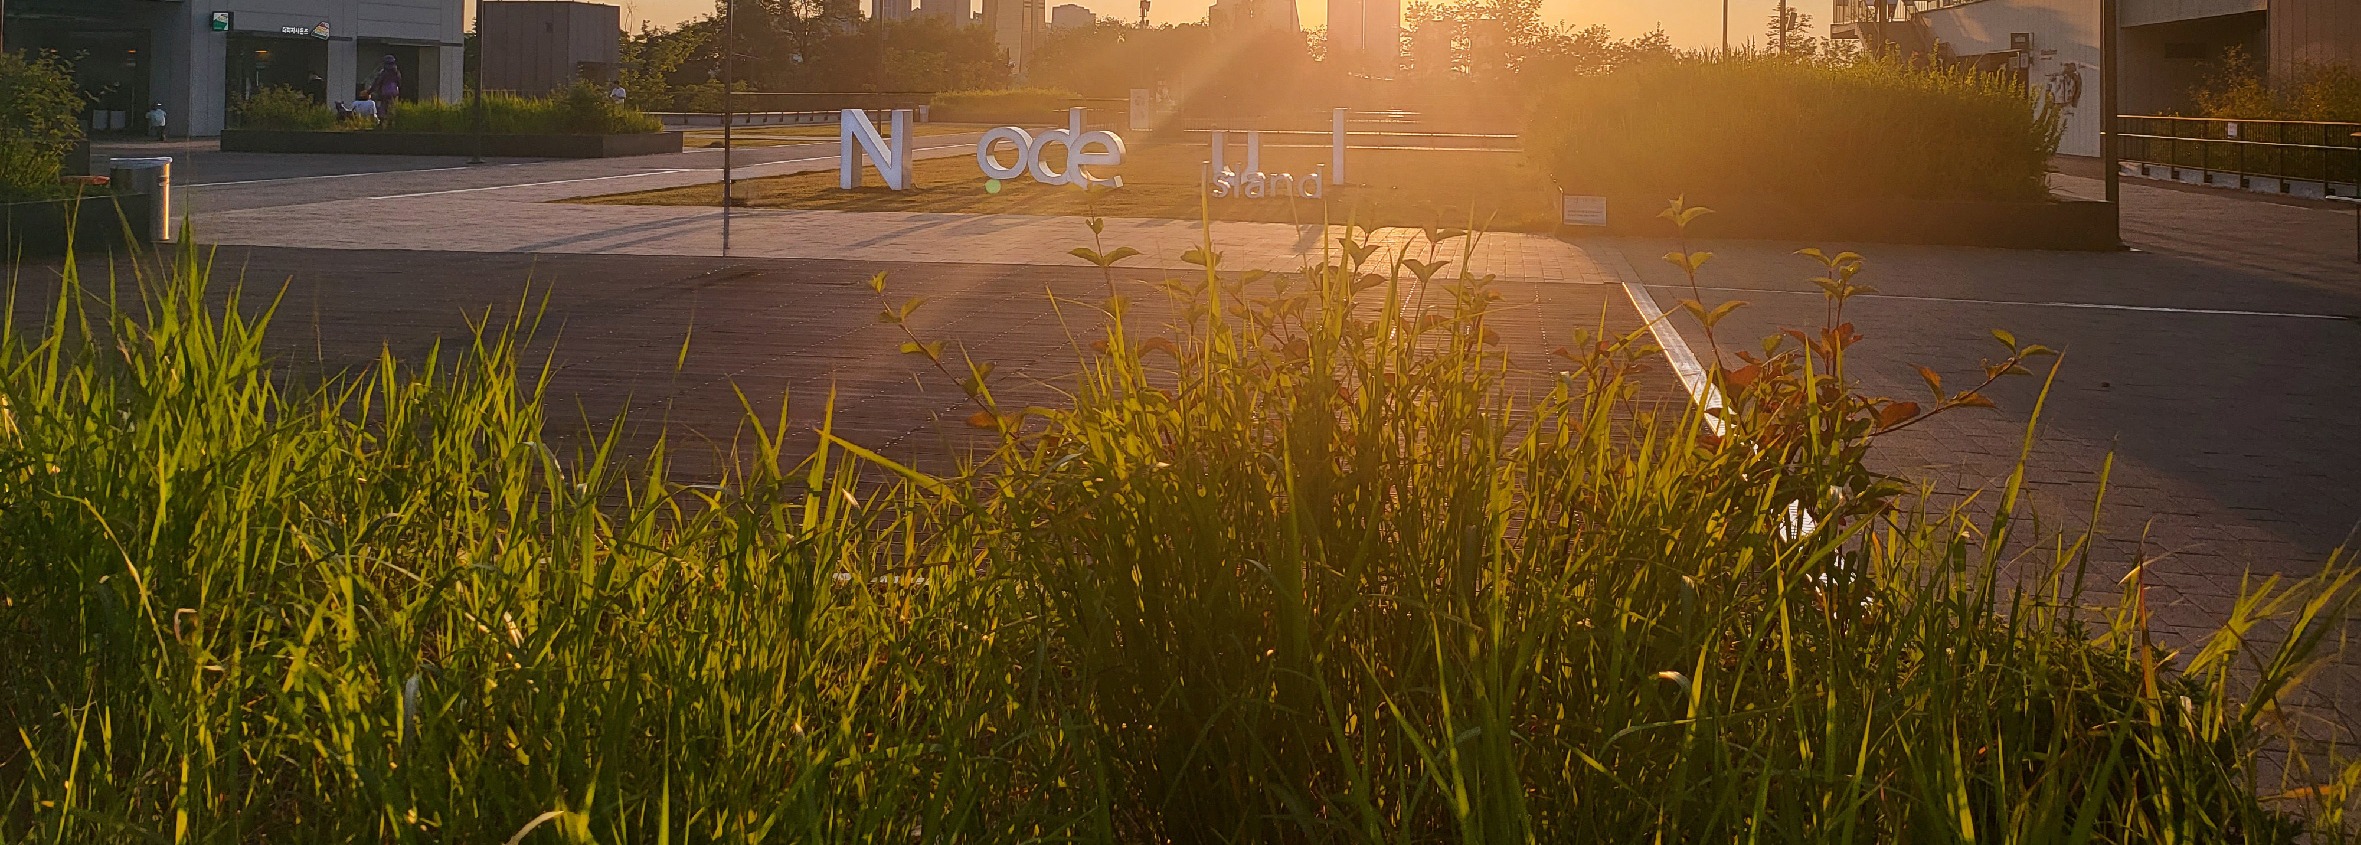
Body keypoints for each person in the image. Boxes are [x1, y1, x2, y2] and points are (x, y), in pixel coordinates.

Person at [368, 56, 402, 124]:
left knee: (383, 107)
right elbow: (399, 83)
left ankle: (382, 122)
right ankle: (392, 122)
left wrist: (370, 91)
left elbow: (377, 82)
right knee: (392, 107)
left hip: (384, 93)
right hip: (394, 93)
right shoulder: (396, 72)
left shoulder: (383, 72)